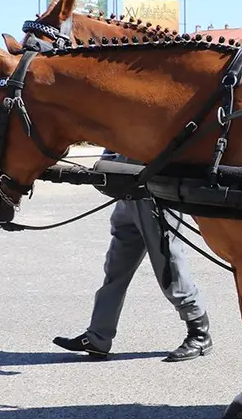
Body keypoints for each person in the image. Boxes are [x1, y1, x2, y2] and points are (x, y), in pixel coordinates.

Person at [52, 150, 213, 362]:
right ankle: (98, 337)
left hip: (153, 190)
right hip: (126, 187)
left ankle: (199, 333)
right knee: (115, 268)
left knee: (168, 264)